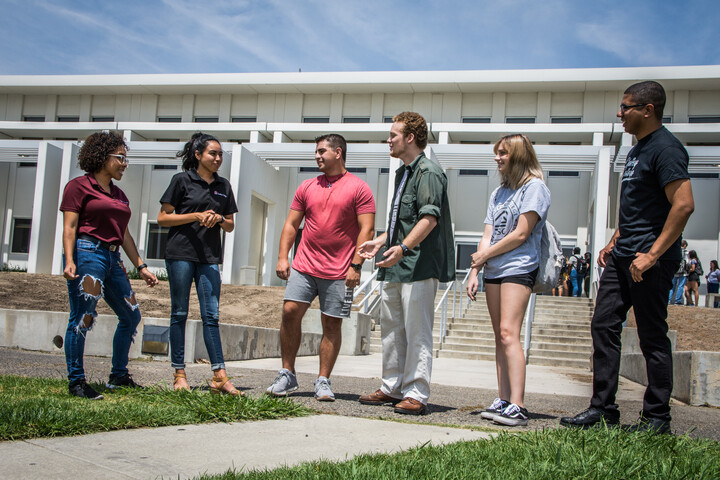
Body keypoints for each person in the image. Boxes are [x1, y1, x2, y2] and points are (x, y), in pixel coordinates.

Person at [561, 81, 694, 434]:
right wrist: (612, 240)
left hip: (648, 261)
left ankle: (656, 419)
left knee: (652, 336)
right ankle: (602, 409)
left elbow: (683, 206)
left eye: (626, 107)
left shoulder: (667, 149)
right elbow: (637, 208)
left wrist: (651, 255)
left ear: (647, 110)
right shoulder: (635, 151)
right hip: (622, 256)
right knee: (603, 326)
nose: (619, 114)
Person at [357, 112, 455, 415]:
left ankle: (416, 392)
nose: (388, 140)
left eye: (393, 135)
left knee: (418, 331)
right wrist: (383, 240)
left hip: (419, 266)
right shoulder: (403, 172)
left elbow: (429, 218)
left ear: (410, 138)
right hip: (395, 262)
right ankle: (392, 387)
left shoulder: (429, 173)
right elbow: (404, 221)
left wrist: (402, 247)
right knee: (391, 329)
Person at [266, 134, 375, 401]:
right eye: (316, 151)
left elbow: (367, 229)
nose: (317, 156)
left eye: (321, 151)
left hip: (340, 271)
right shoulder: (306, 186)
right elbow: (291, 225)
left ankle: (323, 380)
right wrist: (283, 257)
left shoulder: (360, 188)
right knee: (290, 311)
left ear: (338, 153)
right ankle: (287, 374)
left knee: (331, 324)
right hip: (304, 266)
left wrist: (356, 265)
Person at [60, 131, 158, 399]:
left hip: (113, 259)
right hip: (87, 253)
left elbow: (124, 233)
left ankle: (118, 376)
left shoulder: (119, 194)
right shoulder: (78, 186)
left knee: (131, 315)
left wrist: (141, 266)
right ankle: (76, 382)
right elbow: (69, 227)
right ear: (102, 157)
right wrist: (69, 261)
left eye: (126, 159)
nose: (125, 164)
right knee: (83, 317)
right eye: (120, 158)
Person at [466, 134, 551, 427]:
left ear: (518, 155)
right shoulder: (498, 193)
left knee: (508, 332)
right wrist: (476, 269)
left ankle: (518, 404)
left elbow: (521, 234)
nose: (497, 158)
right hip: (493, 269)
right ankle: (502, 399)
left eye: (503, 153)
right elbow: (487, 233)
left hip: (519, 266)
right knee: (499, 336)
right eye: (496, 153)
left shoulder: (535, 188)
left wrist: (485, 254)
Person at [157, 132, 240, 395]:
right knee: (179, 313)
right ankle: (179, 374)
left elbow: (230, 225)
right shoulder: (181, 180)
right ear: (198, 155)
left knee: (211, 316)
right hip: (180, 254)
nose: (217, 158)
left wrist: (217, 219)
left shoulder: (224, 186)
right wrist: (195, 215)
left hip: (209, 257)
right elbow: (162, 218)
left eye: (220, 155)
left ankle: (219, 375)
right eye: (212, 154)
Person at [668, 240, 688, 305]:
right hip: (683, 272)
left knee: (672, 286)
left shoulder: (676, 251)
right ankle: (677, 301)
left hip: (675, 271)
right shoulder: (686, 253)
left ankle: (669, 300)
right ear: (685, 245)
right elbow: (687, 262)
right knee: (680, 286)